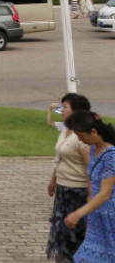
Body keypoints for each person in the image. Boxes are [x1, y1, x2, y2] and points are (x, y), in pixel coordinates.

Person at [63, 111, 115, 262]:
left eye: (81, 135)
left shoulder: (111, 156)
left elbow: (105, 194)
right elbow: (93, 185)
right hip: (96, 214)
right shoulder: (93, 149)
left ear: (93, 132)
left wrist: (78, 214)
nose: (79, 139)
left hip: (110, 216)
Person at [46, 93, 92, 261]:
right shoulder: (65, 129)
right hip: (62, 189)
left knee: (72, 234)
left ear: (76, 112)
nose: (61, 110)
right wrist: (53, 181)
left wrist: (91, 195)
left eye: (65, 107)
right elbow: (60, 158)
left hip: (77, 192)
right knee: (60, 232)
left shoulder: (83, 137)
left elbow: (91, 169)